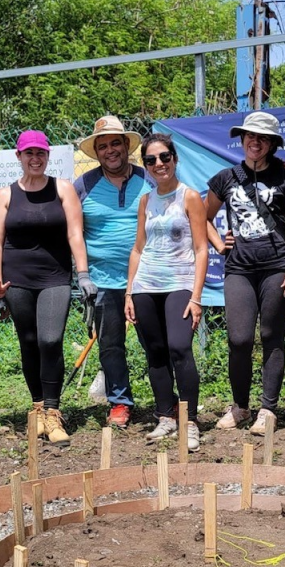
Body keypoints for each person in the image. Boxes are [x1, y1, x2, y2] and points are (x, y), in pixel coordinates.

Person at [0, 130, 95, 447]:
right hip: (16, 279)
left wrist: (84, 274)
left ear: (47, 157)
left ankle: (53, 411)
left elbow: (76, 234)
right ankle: (37, 407)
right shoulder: (5, 195)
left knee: (51, 339)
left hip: (54, 277)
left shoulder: (62, 190)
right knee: (29, 341)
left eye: (41, 153)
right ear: (19, 157)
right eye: (29, 153)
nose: (36, 159)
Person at [206, 111, 285, 435]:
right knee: (239, 339)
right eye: (250, 135)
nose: (255, 141)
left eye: (262, 137)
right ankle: (240, 407)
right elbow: (202, 217)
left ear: (272, 144)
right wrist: (219, 243)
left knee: (271, 335)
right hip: (239, 268)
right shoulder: (225, 177)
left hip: (277, 266)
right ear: (242, 138)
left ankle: (268, 409)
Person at [125, 133, 208, 451]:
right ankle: (165, 416)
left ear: (174, 159)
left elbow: (202, 250)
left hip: (180, 284)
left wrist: (196, 297)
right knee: (155, 352)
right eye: (151, 160)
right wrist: (129, 293)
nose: (158, 164)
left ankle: (190, 422)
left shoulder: (189, 197)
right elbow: (137, 249)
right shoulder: (146, 200)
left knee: (179, 347)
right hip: (146, 284)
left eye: (164, 157)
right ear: (145, 165)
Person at [74, 115, 148, 429]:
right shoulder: (84, 185)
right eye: (102, 146)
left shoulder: (150, 179)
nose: (110, 150)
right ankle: (119, 403)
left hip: (147, 278)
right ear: (97, 152)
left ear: (126, 145)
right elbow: (72, 231)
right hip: (101, 281)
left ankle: (168, 402)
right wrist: (82, 275)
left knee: (156, 342)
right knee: (111, 345)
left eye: (115, 143)